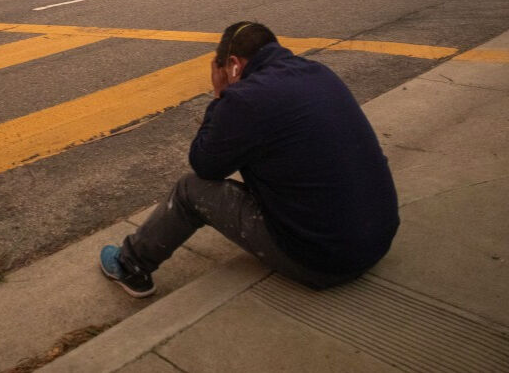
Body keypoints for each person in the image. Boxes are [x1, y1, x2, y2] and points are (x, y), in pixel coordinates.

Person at [99, 21, 399, 297]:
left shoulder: (245, 98)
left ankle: (130, 265)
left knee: (190, 190)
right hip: (378, 239)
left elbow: (205, 165)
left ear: (232, 65)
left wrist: (220, 95)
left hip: (324, 260)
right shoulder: (318, 71)